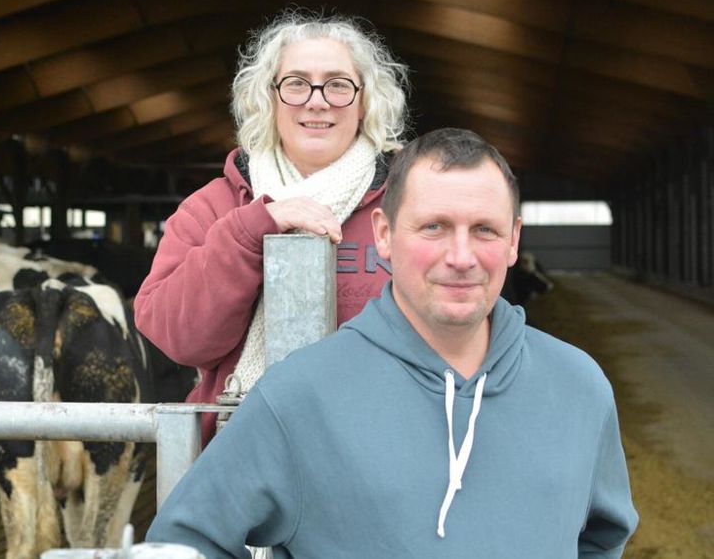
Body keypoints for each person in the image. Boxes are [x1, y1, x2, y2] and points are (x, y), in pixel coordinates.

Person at [145, 128, 638, 558]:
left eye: (484, 230)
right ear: (384, 234)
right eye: (434, 227)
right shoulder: (300, 395)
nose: (461, 256)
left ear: (513, 241)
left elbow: (602, 539)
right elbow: (185, 542)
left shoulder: (578, 387)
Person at [133, 11, 409, 445]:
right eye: (296, 84)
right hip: (243, 449)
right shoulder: (212, 207)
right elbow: (179, 339)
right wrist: (251, 230)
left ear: (365, 102)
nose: (316, 101)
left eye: (338, 85)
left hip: (377, 447)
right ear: (269, 98)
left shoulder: (409, 204)